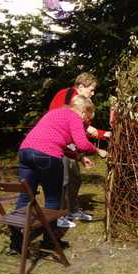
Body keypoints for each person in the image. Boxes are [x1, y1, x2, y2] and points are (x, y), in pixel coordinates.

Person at [9, 95, 108, 254]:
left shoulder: (55, 114)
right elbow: (81, 143)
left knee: (25, 196)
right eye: (87, 119)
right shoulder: (74, 117)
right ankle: (50, 240)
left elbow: (66, 143)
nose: (85, 122)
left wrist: (80, 158)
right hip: (47, 155)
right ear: (83, 112)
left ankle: (16, 243)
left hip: (25, 152)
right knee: (53, 198)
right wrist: (98, 150)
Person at [49, 72, 111, 227]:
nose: (93, 92)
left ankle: (72, 209)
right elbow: (65, 124)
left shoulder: (80, 102)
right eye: (91, 89)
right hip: (59, 145)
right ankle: (59, 214)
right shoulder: (67, 95)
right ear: (81, 86)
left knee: (75, 178)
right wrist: (92, 149)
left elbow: (83, 128)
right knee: (63, 180)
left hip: (69, 146)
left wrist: (103, 135)